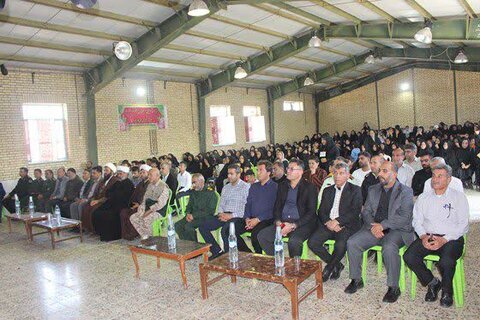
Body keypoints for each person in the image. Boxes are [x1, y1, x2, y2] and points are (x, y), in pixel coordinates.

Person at [345, 161, 415, 303]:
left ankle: (394, 287)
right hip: (374, 227)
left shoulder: (406, 191)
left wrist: (382, 226)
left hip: (397, 229)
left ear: (394, 174)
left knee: (389, 248)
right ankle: (357, 279)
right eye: (380, 171)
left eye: (384, 171)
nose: (380, 174)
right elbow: (367, 212)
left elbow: (404, 217)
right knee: (352, 242)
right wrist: (374, 226)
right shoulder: (373, 189)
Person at [404, 164, 469, 307]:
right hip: (428, 236)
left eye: (440, 176)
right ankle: (433, 283)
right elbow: (417, 221)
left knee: (446, 261)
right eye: (433, 176)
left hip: (451, 238)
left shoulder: (459, 197)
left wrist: (444, 239)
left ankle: (447, 291)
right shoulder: (423, 197)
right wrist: (422, 236)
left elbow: (463, 225)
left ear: (449, 179)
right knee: (409, 256)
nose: (435, 179)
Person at [308, 162, 362, 282]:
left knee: (340, 244)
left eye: (341, 173)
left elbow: (355, 211)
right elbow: (321, 210)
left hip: (346, 225)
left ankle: (329, 267)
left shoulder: (355, 190)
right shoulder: (328, 190)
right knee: (312, 242)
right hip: (328, 224)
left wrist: (337, 222)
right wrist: (328, 222)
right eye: (335, 173)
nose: (337, 176)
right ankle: (337, 265)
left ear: (348, 175)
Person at [258, 158, 317, 258]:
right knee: (262, 236)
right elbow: (277, 206)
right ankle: (279, 260)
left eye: (291, 169)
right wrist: (278, 222)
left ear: (300, 172)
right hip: (283, 222)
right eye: (288, 168)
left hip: (301, 223)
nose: (288, 171)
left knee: (294, 241)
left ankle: (295, 269)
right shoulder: (282, 186)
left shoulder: (309, 187)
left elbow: (311, 212)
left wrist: (293, 225)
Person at [198, 164, 250, 259]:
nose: (229, 176)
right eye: (228, 174)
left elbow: (246, 208)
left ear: (238, 175)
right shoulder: (226, 187)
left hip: (238, 217)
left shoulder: (246, 187)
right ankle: (217, 251)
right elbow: (221, 203)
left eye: (231, 174)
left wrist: (231, 216)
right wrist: (221, 214)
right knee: (203, 226)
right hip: (224, 214)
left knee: (225, 230)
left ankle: (229, 256)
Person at [227, 160, 278, 254]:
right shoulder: (254, 186)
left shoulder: (274, 187)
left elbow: (273, 208)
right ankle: (248, 253)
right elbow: (248, 204)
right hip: (250, 218)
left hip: (265, 219)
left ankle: (258, 255)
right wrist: (246, 218)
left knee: (256, 235)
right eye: (257, 170)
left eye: (260, 170)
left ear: (268, 172)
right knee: (230, 230)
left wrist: (258, 219)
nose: (257, 173)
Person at [93, 166, 135, 241]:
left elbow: (125, 197)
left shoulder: (129, 183)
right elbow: (108, 192)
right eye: (118, 173)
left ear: (126, 174)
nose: (119, 175)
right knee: (97, 212)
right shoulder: (117, 182)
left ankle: (111, 236)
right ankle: (100, 233)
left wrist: (114, 195)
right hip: (112, 202)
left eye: (121, 173)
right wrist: (113, 195)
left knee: (107, 214)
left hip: (122, 204)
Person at [175, 173, 217, 241]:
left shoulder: (210, 193)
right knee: (177, 226)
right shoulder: (194, 192)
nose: (193, 185)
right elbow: (189, 205)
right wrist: (188, 213)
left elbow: (209, 211)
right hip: (192, 215)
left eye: (194, 182)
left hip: (205, 217)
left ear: (201, 182)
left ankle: (196, 248)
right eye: (192, 183)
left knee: (188, 227)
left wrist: (193, 216)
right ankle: (188, 244)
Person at [130, 168, 170, 238]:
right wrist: (141, 209)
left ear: (157, 176)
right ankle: (145, 236)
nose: (148, 177)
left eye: (151, 175)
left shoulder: (163, 186)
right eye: (148, 175)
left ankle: (151, 239)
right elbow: (144, 200)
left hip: (159, 211)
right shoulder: (150, 185)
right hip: (148, 208)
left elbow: (160, 204)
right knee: (133, 217)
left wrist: (147, 212)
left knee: (146, 219)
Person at [81, 163, 119, 232]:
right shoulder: (104, 180)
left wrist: (98, 201)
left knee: (93, 210)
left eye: (107, 170)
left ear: (112, 172)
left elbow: (109, 195)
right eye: (104, 170)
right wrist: (93, 199)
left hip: (105, 201)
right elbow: (96, 192)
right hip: (97, 200)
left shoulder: (115, 180)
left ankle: (94, 230)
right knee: (86, 207)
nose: (105, 172)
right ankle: (87, 228)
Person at [120, 164, 151, 240]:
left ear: (148, 173)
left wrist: (139, 204)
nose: (141, 174)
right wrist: (132, 204)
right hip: (136, 205)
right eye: (141, 173)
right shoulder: (140, 184)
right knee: (123, 212)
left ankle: (134, 233)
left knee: (133, 214)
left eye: (144, 172)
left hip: (145, 207)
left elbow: (149, 198)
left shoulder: (150, 183)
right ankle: (125, 233)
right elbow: (134, 195)